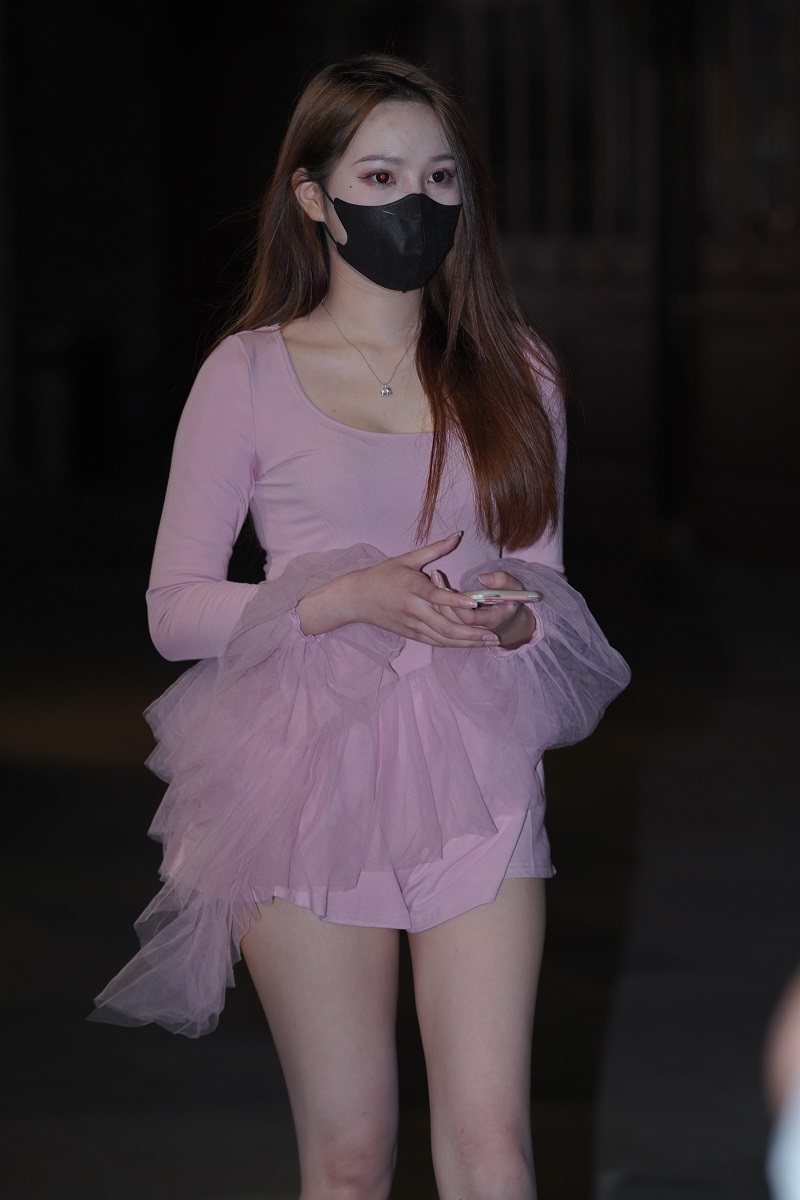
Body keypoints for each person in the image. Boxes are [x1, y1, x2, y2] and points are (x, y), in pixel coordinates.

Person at [90, 53, 630, 1199]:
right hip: (301, 773)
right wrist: (341, 599)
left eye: (439, 178)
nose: (414, 203)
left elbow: (540, 581)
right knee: (348, 1156)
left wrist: (507, 618)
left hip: (474, 767)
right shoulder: (246, 373)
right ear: (313, 196)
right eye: (379, 176)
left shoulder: (515, 368)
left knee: (491, 1147)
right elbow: (173, 609)